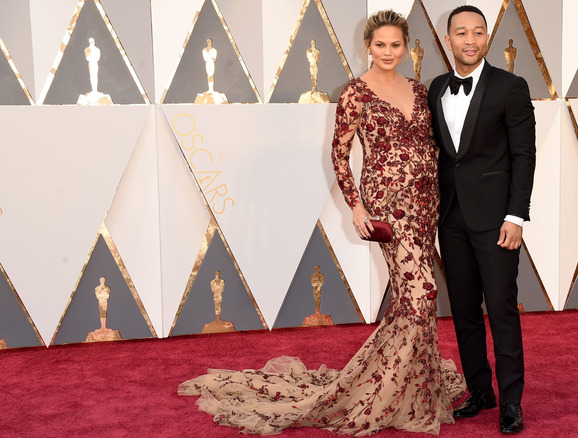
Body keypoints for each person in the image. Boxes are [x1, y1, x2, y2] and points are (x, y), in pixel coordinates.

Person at [179, 10, 465, 435]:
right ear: (368, 46)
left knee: (413, 300)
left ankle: (411, 390)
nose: (388, 52)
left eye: (396, 45)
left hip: (425, 204)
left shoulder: (420, 90)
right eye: (380, 44)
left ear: (406, 47)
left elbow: (432, 145)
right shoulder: (355, 93)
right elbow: (340, 153)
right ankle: (383, 393)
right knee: (422, 293)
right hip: (387, 206)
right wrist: (357, 207)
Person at [428, 5, 536, 434]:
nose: (470, 40)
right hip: (450, 216)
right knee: (465, 312)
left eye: (478, 32)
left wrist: (516, 215)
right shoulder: (436, 87)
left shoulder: (511, 86)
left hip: (496, 220)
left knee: (502, 309)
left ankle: (511, 401)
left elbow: (523, 156)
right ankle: (480, 390)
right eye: (461, 33)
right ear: (448, 39)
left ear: (486, 38)